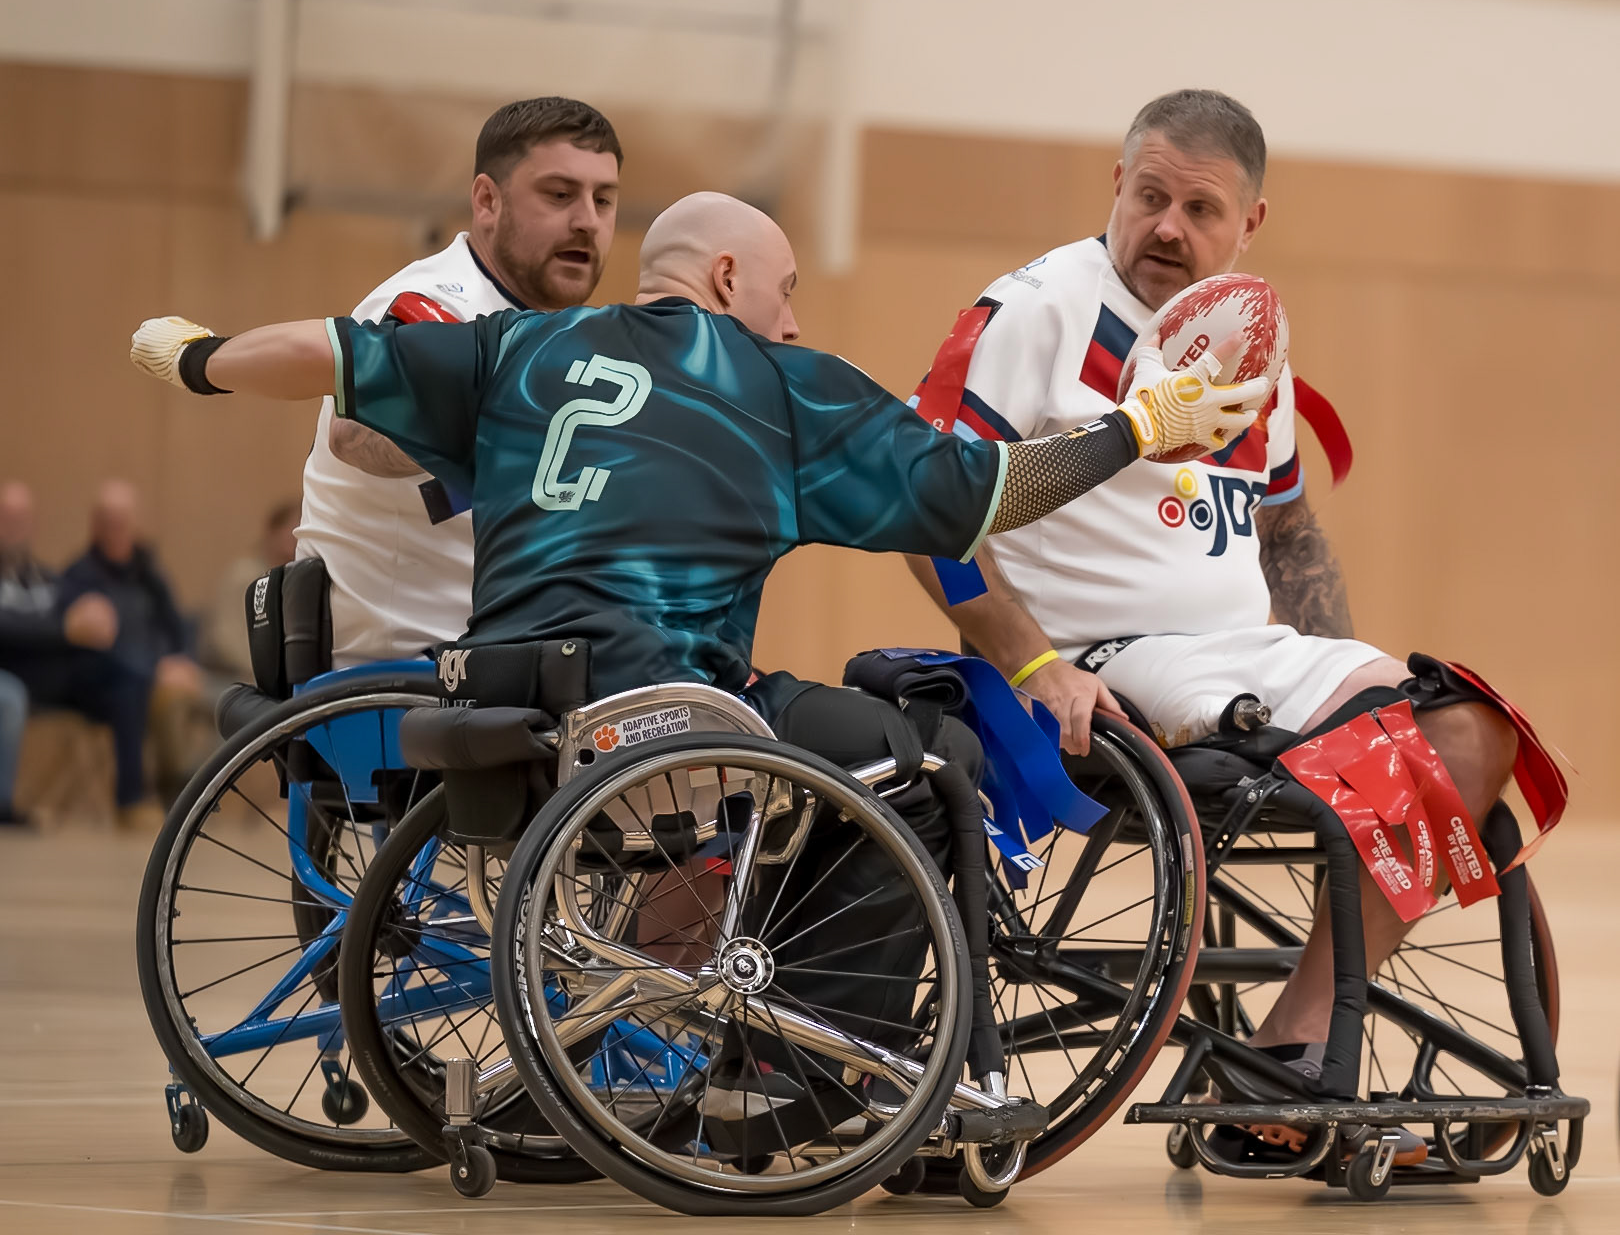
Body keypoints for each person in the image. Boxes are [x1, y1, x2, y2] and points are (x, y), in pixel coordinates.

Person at [130, 191, 1262, 1024]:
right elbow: (993, 491)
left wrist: (198, 360)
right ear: (726, 278)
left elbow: (321, 353)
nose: (791, 318)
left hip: (505, 721)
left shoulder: (518, 343)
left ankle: (688, 993)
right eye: (785, 289)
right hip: (667, 720)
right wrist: (1137, 429)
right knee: (924, 763)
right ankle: (803, 1067)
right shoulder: (782, 386)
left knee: (797, 733)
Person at [905, 88, 1519, 1149]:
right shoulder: (1037, 311)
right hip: (1100, 660)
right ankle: (1289, 1068)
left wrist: (1334, 661)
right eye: (1150, 198)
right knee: (1416, 728)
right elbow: (921, 514)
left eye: (1199, 210)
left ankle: (1288, 1046)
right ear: (1117, 184)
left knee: (1468, 731)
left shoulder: (1247, 341)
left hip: (1240, 658)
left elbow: (1289, 533)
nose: (1167, 228)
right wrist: (1035, 664)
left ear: (1250, 222)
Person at [294, 95, 623, 667]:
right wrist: (504, 418)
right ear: (487, 200)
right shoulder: (434, 303)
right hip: (395, 680)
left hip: (501, 664)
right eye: (559, 194)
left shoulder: (564, 337)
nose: (587, 221)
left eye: (604, 200)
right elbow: (352, 436)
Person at [0, 479, 151, 822]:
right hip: (16, 672)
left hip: (60, 676)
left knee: (128, 678)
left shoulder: (43, 577)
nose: (15, 528)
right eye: (7, 518)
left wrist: (92, 611)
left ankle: (133, 800)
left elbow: (73, 609)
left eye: (22, 519)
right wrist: (64, 629)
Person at [58, 481, 210, 805]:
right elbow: (85, 645)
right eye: (109, 523)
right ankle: (141, 799)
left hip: (157, 674)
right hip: (106, 682)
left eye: (123, 523)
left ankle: (189, 793)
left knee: (207, 697)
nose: (117, 531)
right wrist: (156, 669)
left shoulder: (149, 573)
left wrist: (182, 658)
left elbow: (177, 623)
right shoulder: (79, 576)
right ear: (95, 526)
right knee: (143, 691)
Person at [199, 498, 300, 684]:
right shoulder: (245, 576)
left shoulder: (297, 581)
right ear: (272, 532)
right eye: (292, 529)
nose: (297, 537)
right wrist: (271, 675)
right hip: (231, 674)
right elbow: (229, 640)